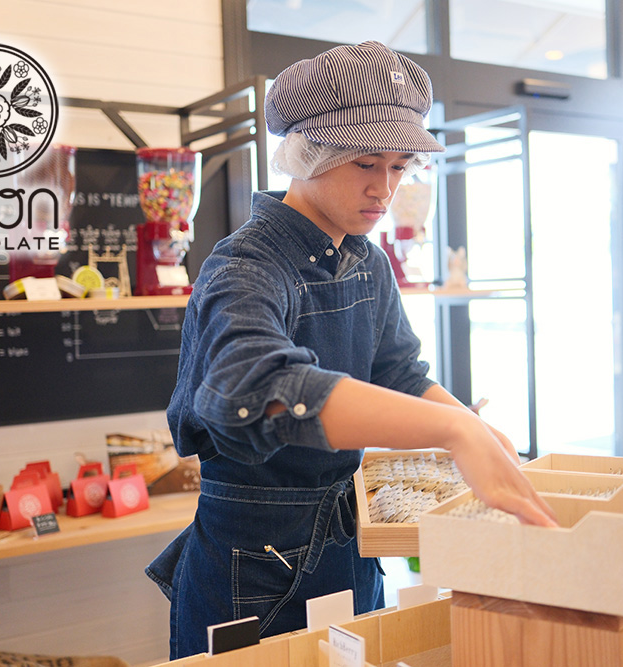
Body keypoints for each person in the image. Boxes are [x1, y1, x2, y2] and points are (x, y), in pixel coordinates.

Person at [146, 40, 556, 659]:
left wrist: (477, 430)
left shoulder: (368, 262)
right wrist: (454, 433)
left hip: (348, 538)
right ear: (309, 151)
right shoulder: (245, 266)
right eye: (367, 163)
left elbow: (398, 373)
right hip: (251, 562)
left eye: (398, 166)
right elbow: (262, 390)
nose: (385, 188)